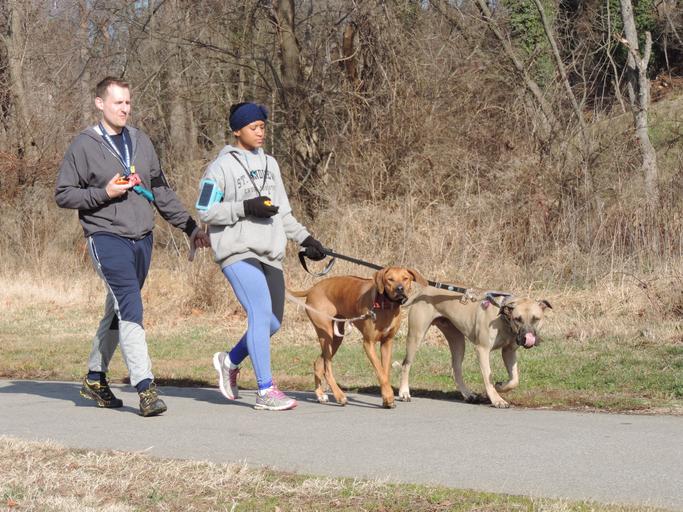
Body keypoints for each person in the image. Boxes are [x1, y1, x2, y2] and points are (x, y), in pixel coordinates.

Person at [55, 76, 210, 417]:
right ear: (100, 104)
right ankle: (146, 388)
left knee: (118, 309)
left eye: (128, 102)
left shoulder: (140, 141)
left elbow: (161, 191)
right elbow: (64, 194)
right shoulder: (84, 145)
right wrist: (104, 193)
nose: (125, 108)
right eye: (118, 102)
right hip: (106, 236)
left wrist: (188, 227)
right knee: (131, 305)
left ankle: (95, 377)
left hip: (142, 238)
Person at [197, 102, 326, 411]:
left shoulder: (271, 164)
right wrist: (245, 207)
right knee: (259, 311)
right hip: (237, 251)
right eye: (253, 127)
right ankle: (265, 390)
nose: (260, 132)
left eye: (263, 127)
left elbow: (283, 213)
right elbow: (205, 209)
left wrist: (306, 238)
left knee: (271, 322)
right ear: (236, 131)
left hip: (270, 252)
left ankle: (229, 361)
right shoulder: (220, 167)